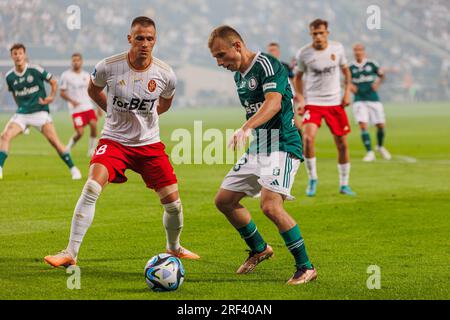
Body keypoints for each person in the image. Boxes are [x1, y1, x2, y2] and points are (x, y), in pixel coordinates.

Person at [44, 16, 200, 268]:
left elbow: (166, 101)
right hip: (114, 141)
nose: (145, 43)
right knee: (92, 186)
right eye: (139, 38)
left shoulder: (165, 74)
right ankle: (71, 252)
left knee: (173, 204)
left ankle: (174, 248)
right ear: (130, 38)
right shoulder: (108, 66)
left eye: (150, 39)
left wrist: (148, 116)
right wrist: (109, 109)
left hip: (149, 145)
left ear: (155, 40)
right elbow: (93, 89)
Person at [209, 25, 317, 285]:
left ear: (237, 45)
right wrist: (251, 132)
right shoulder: (239, 76)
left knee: (270, 206)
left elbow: (274, 103)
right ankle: (259, 248)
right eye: (215, 58)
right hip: (260, 145)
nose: (220, 62)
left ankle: (306, 267)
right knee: (224, 200)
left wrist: (245, 128)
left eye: (222, 55)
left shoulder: (267, 65)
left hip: (283, 145)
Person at [0, 43, 81, 180]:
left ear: (24, 55)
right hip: (22, 114)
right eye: (15, 53)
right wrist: (20, 107)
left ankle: (73, 169)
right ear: (11, 56)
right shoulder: (9, 77)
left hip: (40, 113)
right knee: (4, 136)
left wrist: (51, 97)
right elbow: (14, 94)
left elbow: (53, 81)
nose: (18, 56)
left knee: (54, 142)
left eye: (20, 53)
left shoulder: (35, 69)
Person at [293, 19, 355, 197]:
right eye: (314, 33)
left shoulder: (338, 49)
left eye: (321, 33)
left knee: (342, 144)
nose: (318, 37)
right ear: (311, 34)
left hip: (335, 103)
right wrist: (301, 99)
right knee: (307, 139)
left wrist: (347, 92)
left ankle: (344, 184)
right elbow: (298, 77)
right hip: (313, 103)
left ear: (327, 32)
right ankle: (313, 178)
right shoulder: (304, 53)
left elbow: (346, 71)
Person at [350, 43, 391, 161]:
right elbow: (345, 81)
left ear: (364, 52)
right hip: (359, 100)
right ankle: (369, 152)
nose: (358, 52)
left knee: (381, 125)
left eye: (360, 50)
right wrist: (351, 87)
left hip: (373, 98)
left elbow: (382, 75)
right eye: (355, 50)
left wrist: (377, 83)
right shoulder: (350, 67)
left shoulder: (371, 64)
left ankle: (380, 146)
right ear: (353, 52)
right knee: (363, 125)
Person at [60, 53, 101, 157]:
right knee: (80, 132)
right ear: (71, 62)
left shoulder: (86, 76)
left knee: (93, 125)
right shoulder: (66, 75)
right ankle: (68, 147)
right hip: (76, 109)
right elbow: (62, 93)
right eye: (74, 60)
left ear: (81, 62)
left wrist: (98, 107)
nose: (76, 62)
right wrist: (72, 101)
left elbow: (93, 92)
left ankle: (91, 150)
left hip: (87, 106)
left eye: (78, 60)